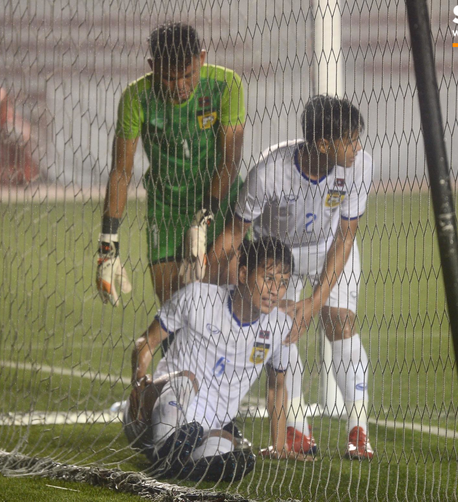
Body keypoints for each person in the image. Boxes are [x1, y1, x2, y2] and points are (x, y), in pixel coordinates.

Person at [208, 95, 375, 460]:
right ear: (322, 143)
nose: (357, 147)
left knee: (340, 321)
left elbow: (346, 235)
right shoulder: (268, 173)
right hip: (277, 254)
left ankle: (358, 429)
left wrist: (314, 302)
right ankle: (297, 427)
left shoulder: (360, 164)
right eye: (350, 139)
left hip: (331, 248)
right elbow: (236, 233)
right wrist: (210, 274)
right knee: (282, 329)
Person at [122, 238, 313, 481]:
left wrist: (278, 445)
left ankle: (181, 464)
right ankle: (166, 451)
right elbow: (146, 342)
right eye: (268, 278)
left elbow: (277, 386)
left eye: (283, 282)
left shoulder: (280, 327)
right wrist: (139, 382)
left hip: (198, 431)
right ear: (243, 274)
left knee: (227, 444)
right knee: (186, 381)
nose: (276, 290)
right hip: (152, 412)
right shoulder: (199, 298)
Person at [96, 22, 245, 306]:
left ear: (201, 59)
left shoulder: (226, 86)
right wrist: (107, 245)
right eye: (168, 78)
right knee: (172, 304)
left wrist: (203, 220)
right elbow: (121, 172)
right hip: (167, 208)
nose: (180, 87)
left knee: (226, 299)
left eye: (188, 75)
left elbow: (230, 161)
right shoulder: (135, 98)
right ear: (152, 67)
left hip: (219, 201)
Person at [0, 85, 40, 188]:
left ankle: (21, 175)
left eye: (0, 104)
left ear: (6, 103)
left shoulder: (11, 117)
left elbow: (27, 132)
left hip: (11, 162)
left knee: (26, 147)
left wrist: (15, 135)